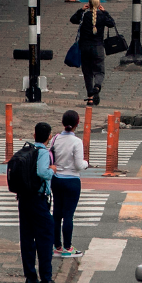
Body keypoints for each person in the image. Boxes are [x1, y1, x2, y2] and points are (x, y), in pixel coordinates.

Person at [19, 122, 62, 283]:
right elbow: (42, 172)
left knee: (27, 238)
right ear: (49, 137)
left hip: (24, 198)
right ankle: (46, 278)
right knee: (45, 237)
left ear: (34, 135)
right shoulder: (43, 152)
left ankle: (30, 277)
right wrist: (52, 170)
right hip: (38, 199)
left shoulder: (27, 150)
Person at [49, 110, 87, 258]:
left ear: (63, 122)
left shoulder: (55, 139)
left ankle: (56, 246)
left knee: (57, 213)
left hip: (56, 179)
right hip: (72, 181)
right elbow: (78, 165)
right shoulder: (77, 142)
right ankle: (68, 247)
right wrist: (86, 164)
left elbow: (51, 157)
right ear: (77, 123)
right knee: (68, 215)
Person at [70, 0, 115, 105]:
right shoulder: (102, 16)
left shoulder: (84, 16)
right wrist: (105, 12)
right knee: (99, 71)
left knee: (87, 73)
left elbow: (73, 19)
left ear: (88, 4)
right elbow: (112, 23)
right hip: (98, 48)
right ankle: (97, 86)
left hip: (85, 48)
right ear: (99, 5)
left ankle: (90, 97)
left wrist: (81, 9)